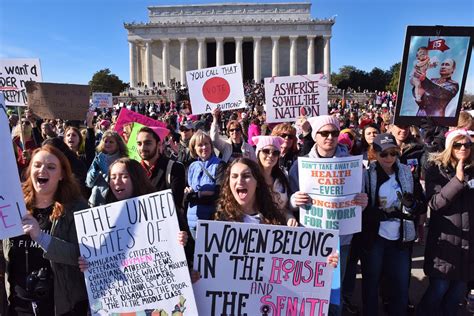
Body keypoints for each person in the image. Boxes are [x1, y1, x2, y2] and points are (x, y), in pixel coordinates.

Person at [288, 115, 368, 315]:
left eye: (334, 133)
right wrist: (293, 201)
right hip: (310, 238)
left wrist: (363, 203)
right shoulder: (301, 165)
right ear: (315, 136)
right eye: (324, 133)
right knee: (309, 287)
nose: (330, 137)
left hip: (341, 239)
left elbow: (359, 199)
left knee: (333, 290)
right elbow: (288, 203)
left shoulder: (352, 164)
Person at [3, 145, 88, 315]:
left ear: (62, 175)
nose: (42, 170)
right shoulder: (13, 204)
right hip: (18, 306)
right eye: (37, 165)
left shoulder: (76, 208)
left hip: (60, 306)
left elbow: (80, 255)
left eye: (51, 167)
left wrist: (41, 237)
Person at [361, 134, 426, 316]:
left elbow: (421, 203)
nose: (389, 158)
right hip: (375, 238)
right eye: (384, 154)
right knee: (371, 284)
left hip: (401, 237)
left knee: (400, 285)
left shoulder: (406, 173)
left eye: (393, 153)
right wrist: (382, 213)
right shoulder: (366, 175)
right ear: (374, 153)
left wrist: (411, 205)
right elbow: (362, 210)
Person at [417, 129, 474, 315]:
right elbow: (434, 203)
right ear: (450, 147)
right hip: (445, 244)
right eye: (458, 144)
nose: (463, 148)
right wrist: (457, 180)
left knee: (456, 295)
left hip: (468, 245)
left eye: (467, 144)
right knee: (438, 290)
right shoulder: (436, 169)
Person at [136, 126, 187, 230]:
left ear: (158, 144)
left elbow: (175, 204)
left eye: (148, 143)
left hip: (168, 229)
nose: (142, 147)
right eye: (139, 143)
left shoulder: (175, 168)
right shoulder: (133, 171)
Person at [184, 131, 226, 238]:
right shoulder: (191, 167)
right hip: (193, 221)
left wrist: (194, 195)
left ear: (211, 146)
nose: (204, 147)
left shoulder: (220, 165)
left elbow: (218, 194)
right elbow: (185, 192)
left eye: (206, 144)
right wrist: (199, 194)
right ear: (194, 148)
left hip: (213, 220)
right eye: (200, 145)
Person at [253, 135, 298, 226]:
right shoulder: (251, 177)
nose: (270, 155)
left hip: (280, 229)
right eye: (266, 151)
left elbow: (285, 207)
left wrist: (289, 216)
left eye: (275, 153)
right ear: (258, 153)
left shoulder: (282, 177)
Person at [86, 130, 128, 206]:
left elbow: (117, 184)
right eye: (105, 141)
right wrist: (94, 170)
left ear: (118, 144)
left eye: (111, 142)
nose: (107, 144)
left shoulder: (123, 161)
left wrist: (105, 169)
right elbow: (89, 183)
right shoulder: (99, 158)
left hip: (112, 203)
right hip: (94, 202)